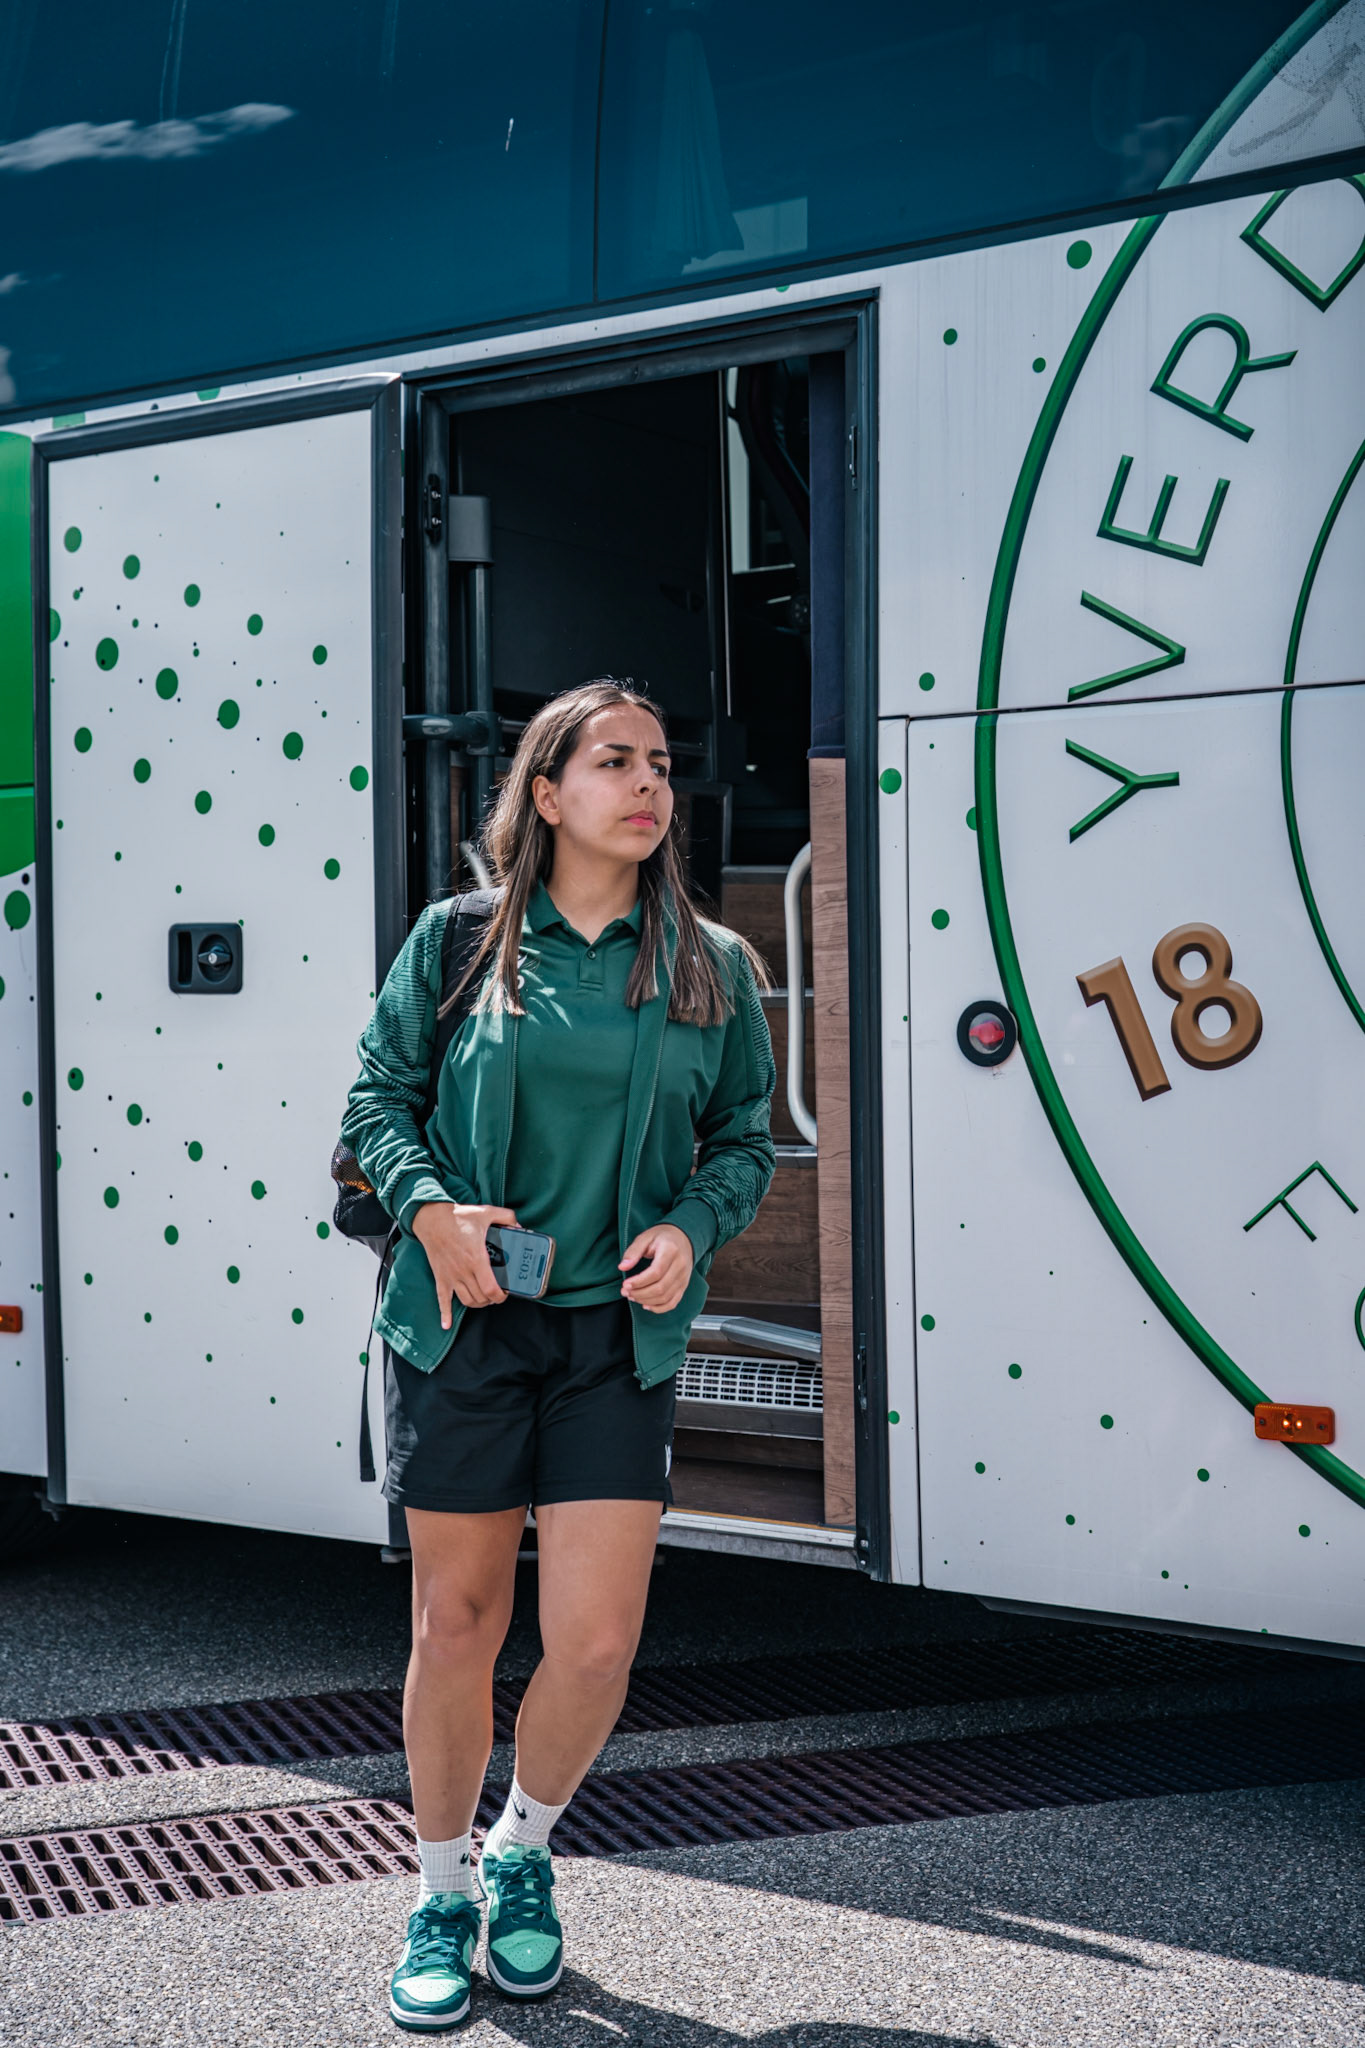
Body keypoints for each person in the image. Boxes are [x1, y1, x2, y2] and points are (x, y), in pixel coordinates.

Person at [340, 678, 776, 2029]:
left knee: (590, 1645)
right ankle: (440, 1886)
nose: (648, 785)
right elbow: (374, 1098)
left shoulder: (712, 962)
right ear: (545, 794)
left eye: (658, 764)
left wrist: (692, 1229)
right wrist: (430, 1211)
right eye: (612, 763)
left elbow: (745, 1140)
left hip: (609, 1338)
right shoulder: (459, 939)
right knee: (456, 1624)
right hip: (463, 1322)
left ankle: (522, 1852)